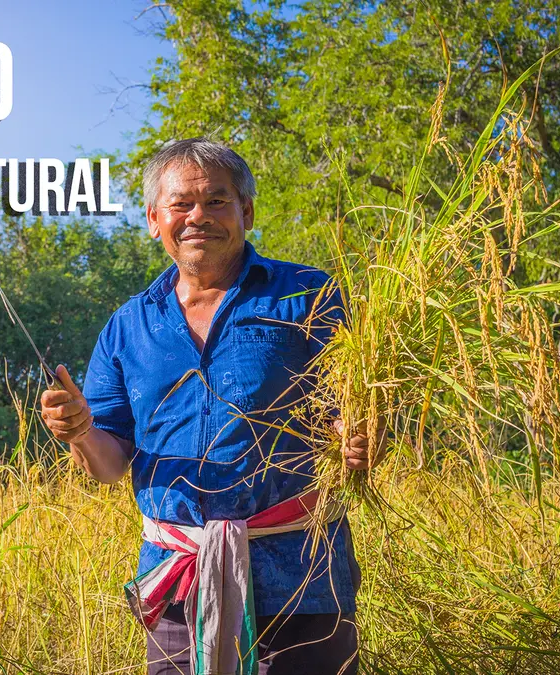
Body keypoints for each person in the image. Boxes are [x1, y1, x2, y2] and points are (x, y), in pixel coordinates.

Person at [39, 138, 384, 674]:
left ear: (246, 211)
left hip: (302, 579)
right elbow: (109, 466)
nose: (198, 217)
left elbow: (358, 406)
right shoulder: (127, 328)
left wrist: (358, 434)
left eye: (217, 201)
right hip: (178, 586)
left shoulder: (309, 295)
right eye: (181, 204)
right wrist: (81, 432)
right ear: (155, 220)